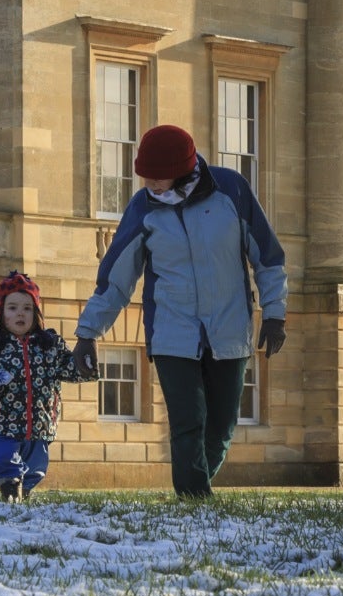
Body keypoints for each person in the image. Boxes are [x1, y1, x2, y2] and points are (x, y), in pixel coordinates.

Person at [74, 124, 286, 499]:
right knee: (187, 421)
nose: (149, 184)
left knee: (220, 429)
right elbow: (116, 279)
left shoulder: (231, 190)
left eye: (156, 177)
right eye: (145, 177)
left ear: (183, 168)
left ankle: (195, 489)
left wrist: (274, 313)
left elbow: (267, 257)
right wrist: (87, 334)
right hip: (172, 332)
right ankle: (194, 500)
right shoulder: (143, 207)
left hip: (229, 329)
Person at [0, 271, 91, 501]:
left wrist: (85, 366)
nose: (20, 314)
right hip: (4, 422)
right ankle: (10, 485)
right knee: (5, 459)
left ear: (36, 313)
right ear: (1, 313)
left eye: (27, 308)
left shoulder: (50, 346)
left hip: (40, 424)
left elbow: (69, 369)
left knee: (36, 466)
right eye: (12, 308)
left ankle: (23, 490)